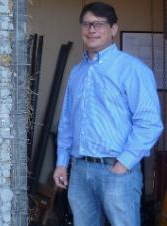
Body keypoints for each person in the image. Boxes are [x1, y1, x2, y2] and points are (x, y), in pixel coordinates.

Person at [52, 2, 163, 226]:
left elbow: (150, 123)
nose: (91, 29)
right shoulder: (77, 72)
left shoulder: (132, 69)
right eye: (86, 24)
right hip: (80, 170)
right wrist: (62, 162)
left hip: (117, 171)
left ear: (114, 29)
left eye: (99, 24)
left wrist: (123, 164)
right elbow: (67, 121)